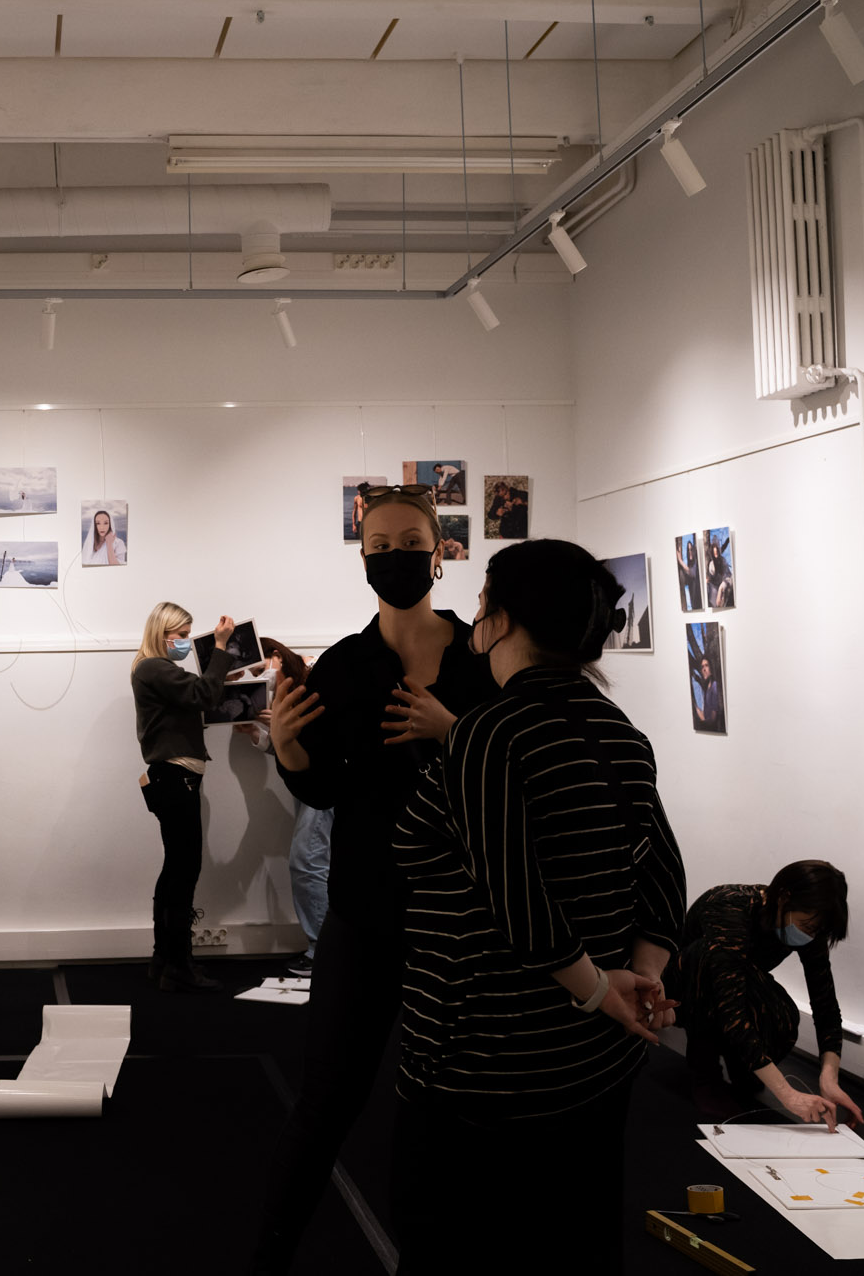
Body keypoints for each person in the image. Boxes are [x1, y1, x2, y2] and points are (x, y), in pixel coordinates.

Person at [390, 539, 687, 1273]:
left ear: (503, 619)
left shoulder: (489, 731)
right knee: (577, 1241)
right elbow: (663, 876)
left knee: (458, 1250)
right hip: (596, 1058)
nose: (474, 617)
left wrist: (600, 989)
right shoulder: (622, 732)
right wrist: (642, 977)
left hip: (485, 1056)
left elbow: (516, 900)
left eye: (482, 602)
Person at [248, 484, 499, 1273]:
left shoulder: (483, 658)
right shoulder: (345, 667)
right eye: (380, 546)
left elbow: (511, 773)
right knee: (325, 1101)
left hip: (466, 924)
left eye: (410, 543)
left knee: (455, 1112)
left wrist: (452, 731)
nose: (396, 557)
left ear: (440, 552)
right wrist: (290, 749)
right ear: (362, 559)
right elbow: (325, 789)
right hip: (366, 913)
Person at [665, 861, 864, 1129]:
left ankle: (743, 1065)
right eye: (807, 926)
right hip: (684, 992)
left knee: (785, 1017)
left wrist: (829, 1079)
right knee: (707, 958)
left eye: (816, 930)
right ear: (783, 898)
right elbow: (730, 1006)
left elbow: (825, 1003)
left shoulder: (809, 926)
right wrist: (788, 1095)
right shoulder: (729, 908)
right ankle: (706, 1075)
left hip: (735, 987)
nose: (810, 936)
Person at [132, 602, 237, 993]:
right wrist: (221, 647)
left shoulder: (154, 670)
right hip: (176, 778)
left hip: (174, 777)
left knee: (175, 869)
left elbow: (197, 696)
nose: (186, 642)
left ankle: (165, 958)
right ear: (163, 634)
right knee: (183, 871)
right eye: (182, 635)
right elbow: (203, 694)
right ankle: (178, 965)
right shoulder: (154, 668)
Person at [234, 638, 330, 979]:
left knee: (307, 861)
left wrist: (282, 724)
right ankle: (327, 951)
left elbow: (322, 740)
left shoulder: (318, 677)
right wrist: (258, 732)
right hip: (311, 784)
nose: (259, 679)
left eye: (260, 669)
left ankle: (322, 954)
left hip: (326, 784)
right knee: (315, 863)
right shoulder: (285, 693)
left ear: (277, 656)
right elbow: (290, 751)